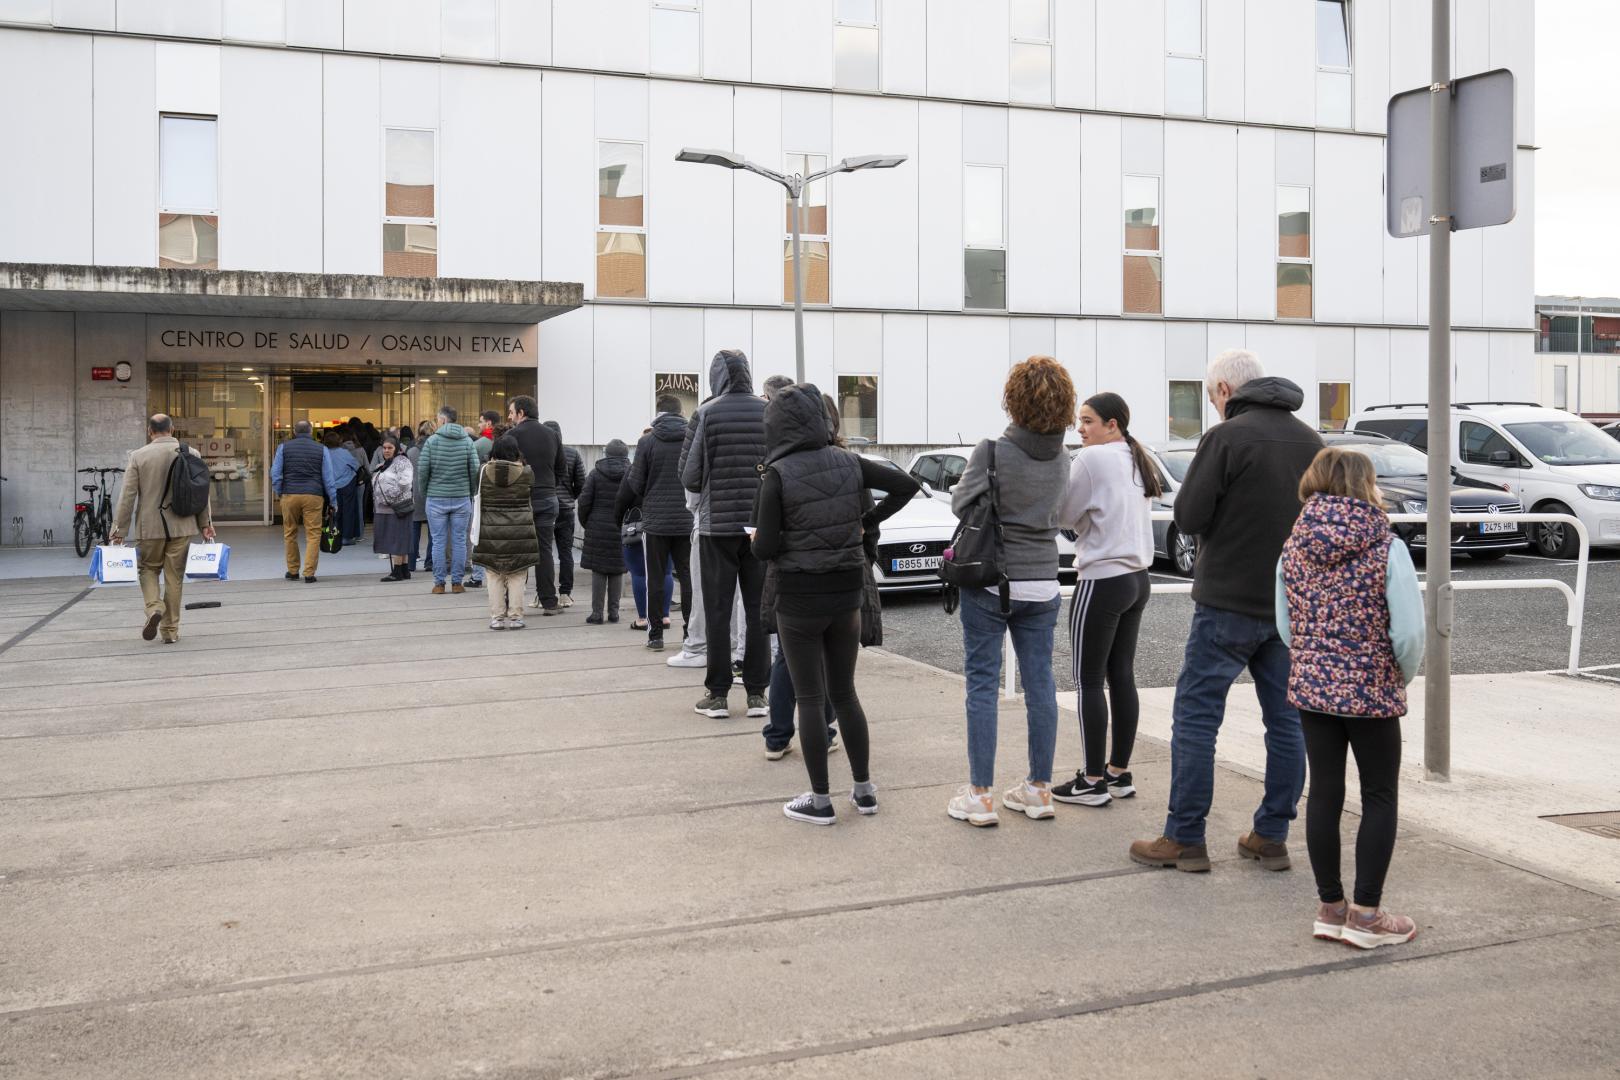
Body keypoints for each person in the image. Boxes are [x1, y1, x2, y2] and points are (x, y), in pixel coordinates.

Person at [1130, 349, 1324, 873]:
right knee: (1286, 723)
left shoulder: (1224, 438)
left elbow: (1189, 515)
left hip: (1225, 604)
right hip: (1288, 606)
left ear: (1222, 392)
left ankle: (1186, 837)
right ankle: (1271, 835)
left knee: (1196, 718)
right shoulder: (1311, 440)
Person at [1277, 448, 1424, 949]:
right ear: (1367, 484)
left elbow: (1285, 624)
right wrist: (1395, 675)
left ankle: (1329, 907)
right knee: (1379, 795)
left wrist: (1314, 660)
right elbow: (1408, 633)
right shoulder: (1386, 545)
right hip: (1371, 688)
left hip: (1314, 688)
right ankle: (1366, 916)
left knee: (1324, 793)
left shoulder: (1293, 545)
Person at [753, 384, 915, 825]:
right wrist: (866, 522)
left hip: (799, 596)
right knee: (845, 693)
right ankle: (864, 791)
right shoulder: (850, 462)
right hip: (847, 593)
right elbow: (907, 484)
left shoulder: (778, 473)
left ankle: (820, 800)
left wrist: (768, 537)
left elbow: (765, 547)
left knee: (809, 697)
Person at [946, 356, 1075, 828]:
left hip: (993, 577)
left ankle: (981, 795)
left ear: (1013, 399)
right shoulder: (1064, 456)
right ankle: (1039, 789)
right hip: (1044, 579)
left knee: (982, 681)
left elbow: (961, 502)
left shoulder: (992, 451)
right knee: (1041, 682)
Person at [1051, 392, 1160, 808]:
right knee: (1121, 677)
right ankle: (1118, 772)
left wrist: (1079, 522)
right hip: (1138, 578)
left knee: (1089, 679)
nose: (1080, 429)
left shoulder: (1092, 460)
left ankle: (1092, 780)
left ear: (1112, 424)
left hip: (1102, 578)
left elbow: (1063, 514)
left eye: (1088, 421)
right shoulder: (1137, 455)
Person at [681, 349, 769, 719]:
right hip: (758, 526)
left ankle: (717, 695)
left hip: (716, 527)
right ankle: (757, 695)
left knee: (718, 610)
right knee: (758, 610)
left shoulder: (706, 413)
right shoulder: (768, 410)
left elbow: (689, 474)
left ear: (716, 377)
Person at [108, 414, 215, 643]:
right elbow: (201, 493)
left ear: (150, 431)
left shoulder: (138, 457)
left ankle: (154, 608)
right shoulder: (191, 453)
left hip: (150, 527)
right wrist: (205, 524)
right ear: (172, 429)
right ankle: (170, 632)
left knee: (147, 570)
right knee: (174, 578)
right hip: (183, 526)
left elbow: (127, 497)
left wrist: (119, 530)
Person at [617, 396, 693, 650]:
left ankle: (656, 635)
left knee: (655, 579)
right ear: (681, 412)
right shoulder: (692, 438)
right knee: (688, 577)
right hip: (686, 520)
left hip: (656, 522)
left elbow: (635, 482)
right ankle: (689, 633)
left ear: (658, 413)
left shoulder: (647, 441)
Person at [506, 395, 569, 614]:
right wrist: (548, 486)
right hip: (548, 499)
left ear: (521, 413)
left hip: (520, 500)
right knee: (544, 551)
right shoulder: (552, 434)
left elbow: (502, 470)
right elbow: (562, 469)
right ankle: (549, 602)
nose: (510, 416)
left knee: (516, 550)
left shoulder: (512, 436)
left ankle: (511, 603)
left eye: (512, 412)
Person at [471, 434, 540, 630]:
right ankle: (516, 617)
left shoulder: (483, 472)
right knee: (517, 575)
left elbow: (477, 495)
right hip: (520, 530)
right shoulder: (527, 472)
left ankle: (497, 617)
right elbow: (531, 495)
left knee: (494, 575)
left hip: (490, 530)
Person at [417, 404, 481, 595]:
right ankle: (457, 583)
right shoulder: (467, 441)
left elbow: (423, 470)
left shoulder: (432, 441)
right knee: (460, 541)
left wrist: (425, 491)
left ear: (443, 420)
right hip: (461, 498)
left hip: (436, 498)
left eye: (438, 419)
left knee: (438, 541)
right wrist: (469, 491)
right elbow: (475, 469)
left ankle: (438, 584)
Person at [271, 419, 339, 582]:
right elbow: (328, 478)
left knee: (290, 533)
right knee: (313, 534)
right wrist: (333, 500)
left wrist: (280, 492)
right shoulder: (322, 449)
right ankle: (309, 573)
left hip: (290, 494)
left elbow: (275, 473)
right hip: (313, 495)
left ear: (294, 432)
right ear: (311, 432)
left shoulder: (283, 448)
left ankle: (293, 570)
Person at [577, 438, 630, 624]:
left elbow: (584, 502)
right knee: (617, 569)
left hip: (597, 526)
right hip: (621, 527)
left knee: (599, 570)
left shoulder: (595, 474)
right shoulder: (630, 474)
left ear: (606, 454)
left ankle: (597, 613)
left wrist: (587, 523)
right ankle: (614, 613)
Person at [544, 420, 586, 608]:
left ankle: (543, 593)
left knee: (543, 553)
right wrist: (570, 498)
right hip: (566, 509)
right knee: (565, 553)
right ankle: (565, 593)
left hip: (543, 507)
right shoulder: (572, 453)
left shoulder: (540, 454)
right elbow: (581, 484)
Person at [371, 435, 416, 582]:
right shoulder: (386, 464)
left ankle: (397, 571)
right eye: (384, 448)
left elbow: (405, 483)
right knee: (399, 537)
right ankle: (403, 569)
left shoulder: (402, 461)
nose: (386, 450)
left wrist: (389, 497)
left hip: (397, 507)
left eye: (390, 448)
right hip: (387, 508)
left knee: (397, 538)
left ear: (396, 448)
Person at [326, 430, 364, 545]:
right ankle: (346, 538)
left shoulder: (324, 453)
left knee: (334, 511)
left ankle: (334, 536)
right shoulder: (344, 452)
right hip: (347, 483)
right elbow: (356, 465)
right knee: (349, 510)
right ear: (338, 441)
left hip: (332, 485)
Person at [407, 420, 435, 573]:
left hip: (415, 494)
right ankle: (430, 562)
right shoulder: (436, 450)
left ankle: (411, 563)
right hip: (432, 493)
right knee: (434, 532)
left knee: (414, 529)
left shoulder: (411, 452)